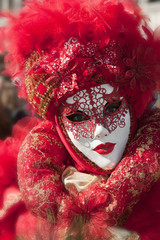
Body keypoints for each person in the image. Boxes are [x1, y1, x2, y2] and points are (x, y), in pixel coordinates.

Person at [1, 0, 160, 239]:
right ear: (59, 126)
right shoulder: (27, 215)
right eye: (78, 117)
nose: (99, 131)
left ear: (132, 105)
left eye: (112, 108)